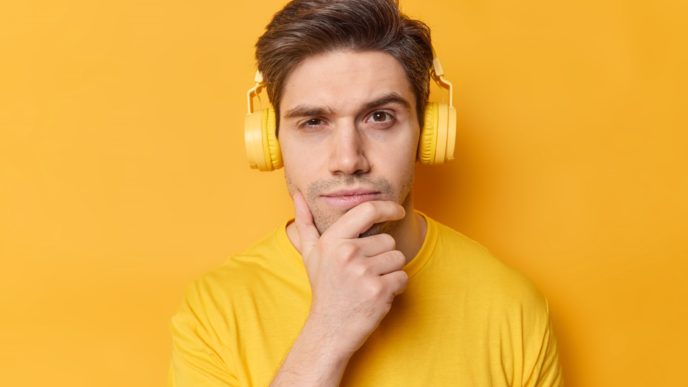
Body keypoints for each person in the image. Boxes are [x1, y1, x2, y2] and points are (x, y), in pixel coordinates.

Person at [168, 0, 563, 386]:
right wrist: (328, 332)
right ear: (270, 144)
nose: (348, 159)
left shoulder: (512, 306)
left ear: (428, 135)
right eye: (313, 121)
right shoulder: (215, 310)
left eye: (379, 117)